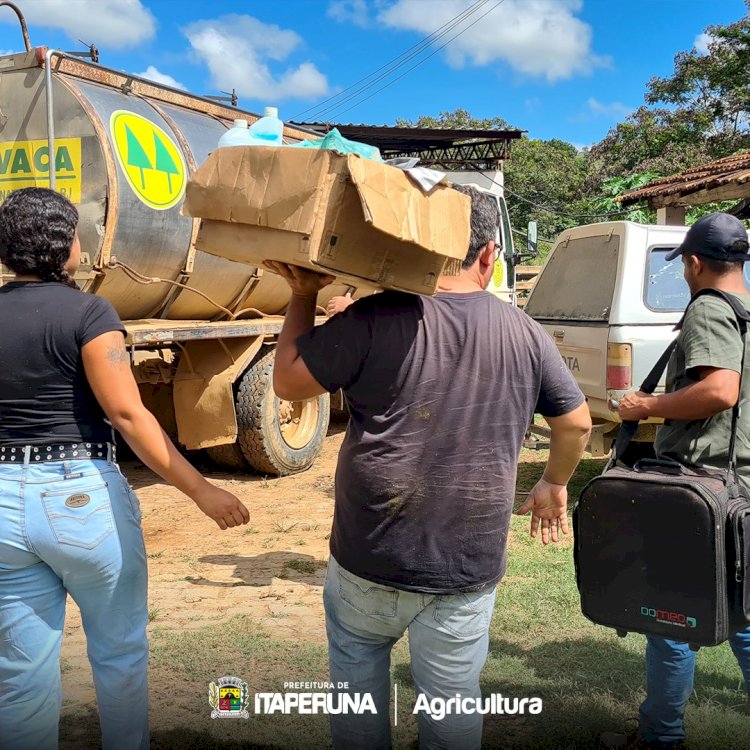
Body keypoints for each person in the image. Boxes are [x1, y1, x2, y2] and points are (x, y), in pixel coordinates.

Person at [266, 184, 591, 749]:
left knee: (358, 696)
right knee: (452, 706)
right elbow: (577, 424)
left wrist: (302, 294)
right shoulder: (526, 333)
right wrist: (553, 482)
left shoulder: (374, 316)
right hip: (464, 561)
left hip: (370, 551)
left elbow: (289, 381)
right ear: (489, 255)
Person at [0, 188, 250, 750]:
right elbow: (125, 412)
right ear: (65, 246)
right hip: (79, 500)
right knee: (118, 653)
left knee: (19, 672)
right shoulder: (91, 313)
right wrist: (202, 490)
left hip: (1, 504)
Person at [603, 212, 750, 750]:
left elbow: (719, 392)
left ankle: (660, 738)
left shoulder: (708, 309)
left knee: (671, 615)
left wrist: (646, 404)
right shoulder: (747, 309)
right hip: (738, 487)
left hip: (702, 490)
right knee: (742, 613)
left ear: (692, 262)